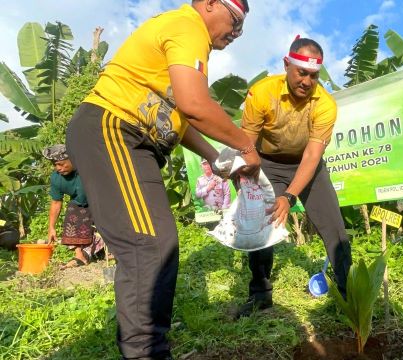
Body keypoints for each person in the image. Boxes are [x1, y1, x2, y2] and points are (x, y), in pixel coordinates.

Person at [65, 1, 260, 358]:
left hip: (134, 140)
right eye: (234, 21)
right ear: (209, 4)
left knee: (158, 242)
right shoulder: (188, 26)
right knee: (149, 244)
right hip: (113, 127)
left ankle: (152, 349)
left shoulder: (188, 38)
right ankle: (146, 353)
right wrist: (246, 146)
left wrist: (214, 156)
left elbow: (179, 117)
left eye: (242, 28)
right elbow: (194, 104)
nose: (236, 33)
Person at [236, 36, 352, 318]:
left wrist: (289, 196)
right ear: (287, 64)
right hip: (267, 163)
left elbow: (312, 157)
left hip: (307, 165)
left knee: (334, 226)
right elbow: (247, 144)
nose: (307, 81)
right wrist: (248, 182)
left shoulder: (325, 104)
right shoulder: (262, 93)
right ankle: (260, 294)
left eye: (314, 75)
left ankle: (348, 292)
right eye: (302, 72)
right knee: (264, 224)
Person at [43, 144, 105, 268]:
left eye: (61, 164)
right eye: (55, 165)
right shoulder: (56, 178)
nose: (58, 168)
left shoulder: (89, 169)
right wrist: (51, 227)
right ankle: (80, 256)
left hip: (103, 199)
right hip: (80, 203)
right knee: (72, 214)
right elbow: (56, 202)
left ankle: (113, 251)